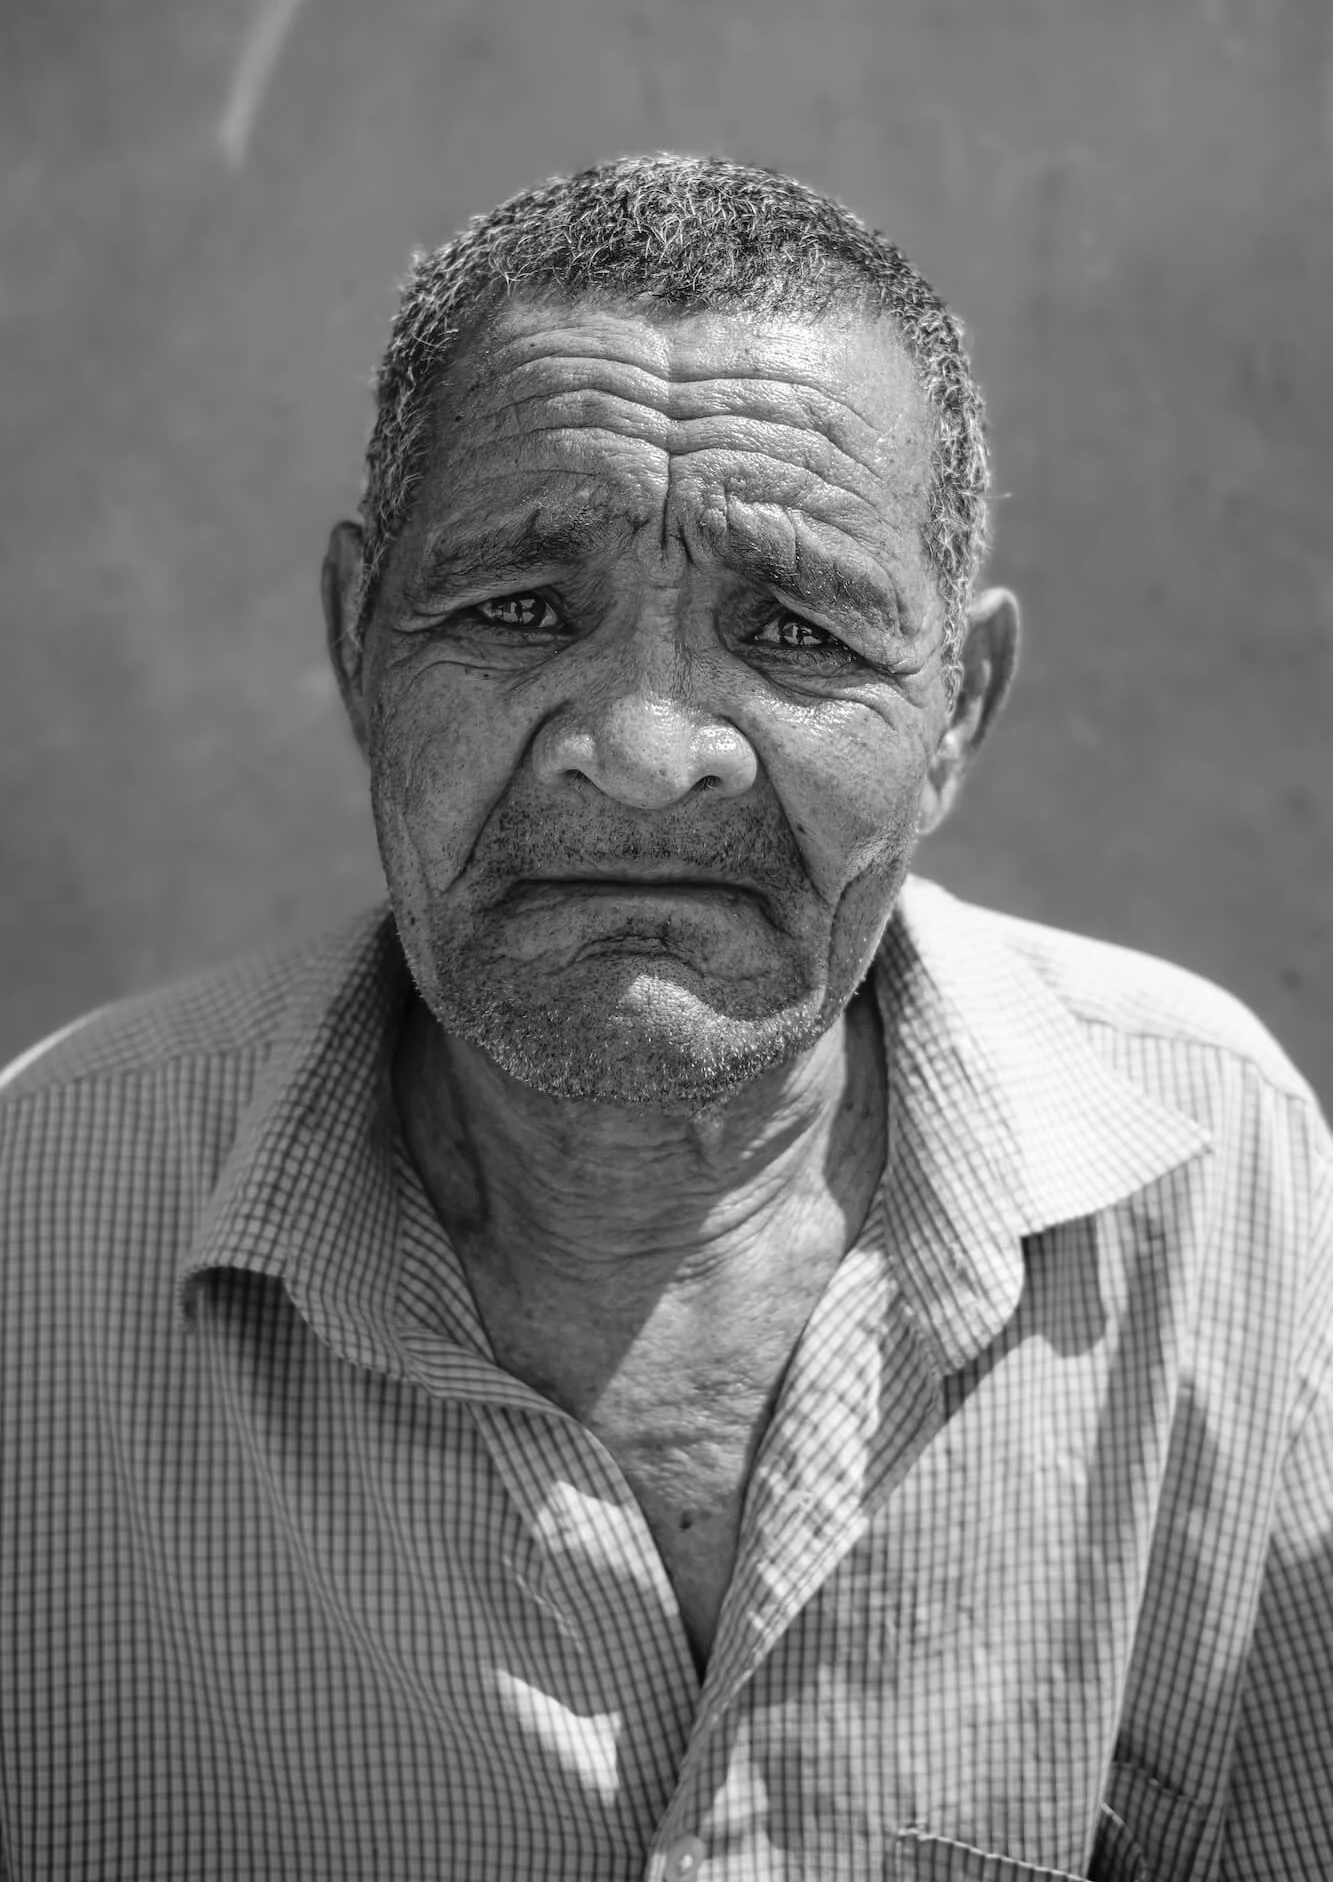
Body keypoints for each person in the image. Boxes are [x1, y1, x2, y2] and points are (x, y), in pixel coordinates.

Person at [1, 155, 1329, 1882]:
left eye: (793, 630)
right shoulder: (38, 1234)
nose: (643, 748)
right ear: (357, 643)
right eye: (519, 611)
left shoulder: (1224, 1182)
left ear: (956, 712)